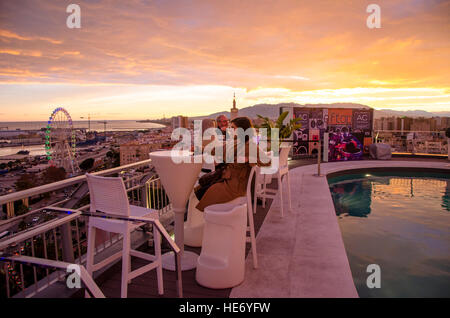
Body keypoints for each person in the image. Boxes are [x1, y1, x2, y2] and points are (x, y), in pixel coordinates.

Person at [196, 116, 270, 212]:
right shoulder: (236, 142)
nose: (231, 130)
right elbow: (218, 150)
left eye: (233, 128)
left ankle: (214, 218)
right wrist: (200, 149)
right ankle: (206, 219)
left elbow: (267, 161)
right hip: (228, 179)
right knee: (200, 188)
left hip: (235, 185)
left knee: (205, 191)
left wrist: (249, 158)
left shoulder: (249, 145)